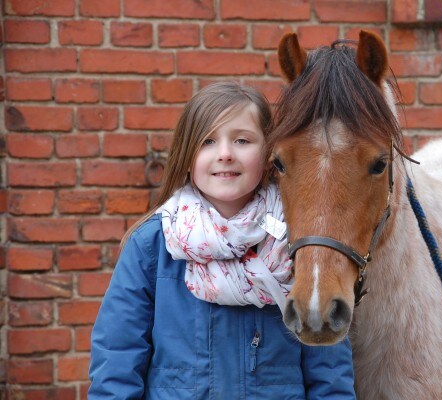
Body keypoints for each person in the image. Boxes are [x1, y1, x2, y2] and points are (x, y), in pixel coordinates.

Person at [88, 82, 356, 399]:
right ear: (187, 155)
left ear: (269, 153)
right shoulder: (153, 246)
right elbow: (117, 357)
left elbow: (329, 373)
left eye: (242, 140)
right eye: (208, 142)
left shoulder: (297, 246)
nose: (225, 154)